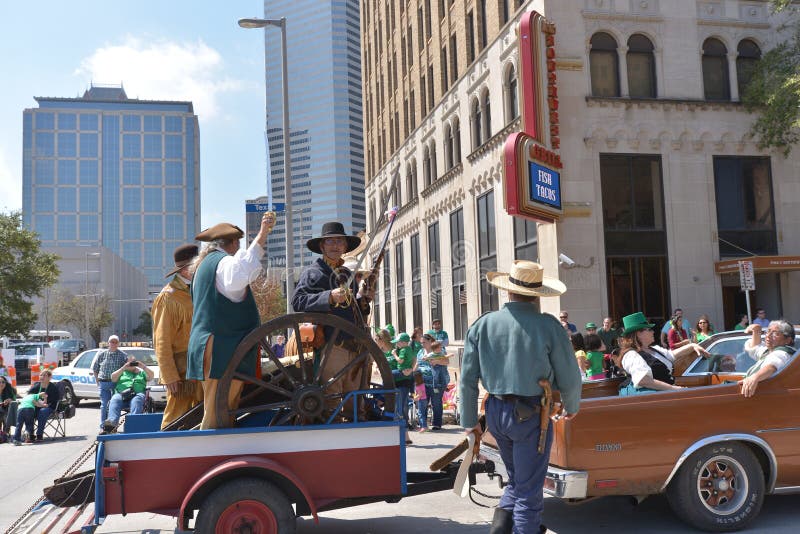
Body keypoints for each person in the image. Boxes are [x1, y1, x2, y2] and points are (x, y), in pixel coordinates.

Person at [459, 260, 582, 534]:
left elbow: (467, 380)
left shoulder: (483, 324)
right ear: (537, 294)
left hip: (494, 413)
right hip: (530, 417)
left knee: (518, 480)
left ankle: (499, 531)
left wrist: (469, 421)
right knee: (528, 490)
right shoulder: (548, 326)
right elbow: (570, 375)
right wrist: (572, 405)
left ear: (508, 291)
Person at [187, 214, 275, 430]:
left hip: (209, 342)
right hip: (220, 345)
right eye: (238, 243)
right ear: (233, 243)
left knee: (217, 405)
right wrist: (262, 236)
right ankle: (212, 450)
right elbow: (239, 275)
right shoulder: (223, 262)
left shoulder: (203, 266)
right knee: (219, 409)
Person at [291, 221, 373, 419]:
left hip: (357, 346)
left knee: (356, 403)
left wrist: (363, 299)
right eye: (330, 241)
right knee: (332, 401)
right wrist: (328, 296)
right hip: (332, 345)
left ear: (345, 247)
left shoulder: (347, 274)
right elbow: (298, 301)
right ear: (322, 246)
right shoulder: (313, 273)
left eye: (340, 241)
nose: (335, 245)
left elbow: (354, 311)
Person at [152, 243, 202, 430]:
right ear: (189, 268)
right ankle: (166, 451)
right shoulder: (168, 297)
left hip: (201, 369)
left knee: (201, 416)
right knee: (176, 417)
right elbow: (161, 340)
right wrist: (170, 375)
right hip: (182, 374)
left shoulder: (196, 290)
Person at [613, 312, 709, 396]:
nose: (653, 331)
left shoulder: (654, 349)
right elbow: (644, 380)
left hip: (663, 394)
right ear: (638, 334)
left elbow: (672, 355)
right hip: (650, 400)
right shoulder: (630, 355)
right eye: (649, 329)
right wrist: (675, 389)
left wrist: (692, 346)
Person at [740, 320, 796, 397]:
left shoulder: (782, 353)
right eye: (768, 331)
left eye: (775, 334)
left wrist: (754, 378)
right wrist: (756, 331)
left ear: (787, 340)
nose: (768, 335)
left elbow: (772, 366)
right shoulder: (769, 351)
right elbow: (755, 349)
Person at [103, 356, 155, 432]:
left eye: (134, 362)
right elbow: (113, 378)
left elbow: (151, 376)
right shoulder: (122, 372)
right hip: (122, 395)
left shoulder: (141, 373)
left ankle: (133, 422)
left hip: (137, 394)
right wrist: (123, 368)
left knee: (137, 400)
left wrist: (143, 367)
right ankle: (112, 424)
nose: (132, 364)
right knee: (115, 399)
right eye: (130, 362)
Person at [92, 335, 128, 429]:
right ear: (108, 343)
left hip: (116, 384)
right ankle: (103, 426)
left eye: (115, 342)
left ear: (118, 343)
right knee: (104, 405)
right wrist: (97, 382)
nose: (113, 344)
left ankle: (113, 425)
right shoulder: (102, 354)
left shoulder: (123, 355)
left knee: (114, 405)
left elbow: (127, 370)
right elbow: (95, 369)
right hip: (103, 383)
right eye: (112, 342)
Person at [26, 369, 60, 442]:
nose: (42, 377)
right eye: (41, 375)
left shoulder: (52, 387)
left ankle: (39, 434)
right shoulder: (36, 385)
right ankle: (30, 434)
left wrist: (45, 405)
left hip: (49, 407)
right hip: (36, 405)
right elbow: (29, 395)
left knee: (42, 411)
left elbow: (55, 400)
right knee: (28, 411)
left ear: (49, 377)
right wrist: (36, 403)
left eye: (44, 375)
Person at [0, 375, 17, 441]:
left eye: (3, 382)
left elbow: (14, 400)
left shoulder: (9, 390)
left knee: (5, 414)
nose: (1, 384)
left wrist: (10, 400)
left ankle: (5, 433)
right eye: (0, 382)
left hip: (7, 410)